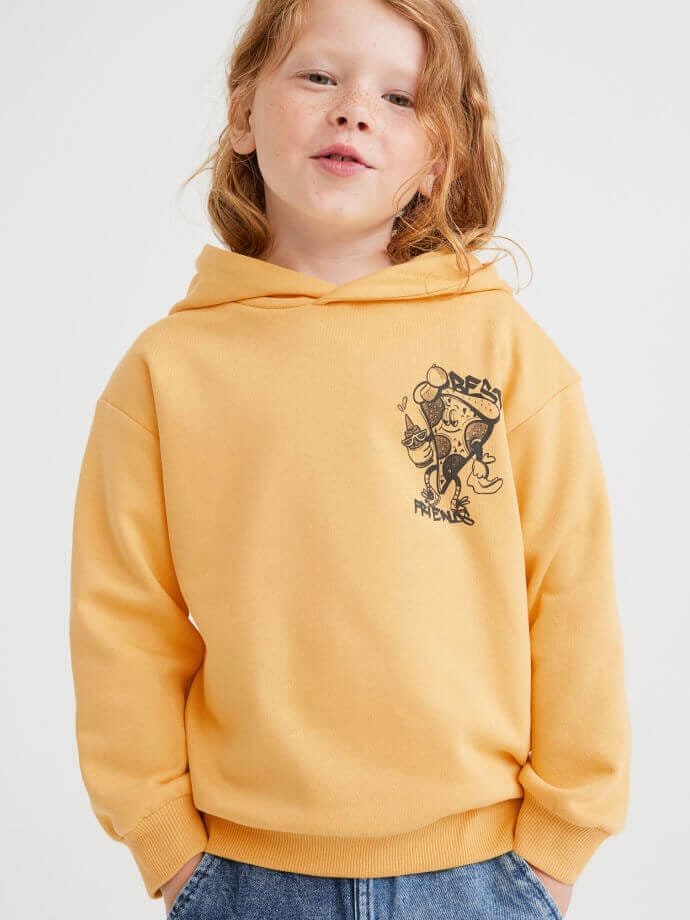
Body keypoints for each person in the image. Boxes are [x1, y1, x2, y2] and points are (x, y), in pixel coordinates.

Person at [68, 0, 632, 917]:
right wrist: (165, 844)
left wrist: (559, 845)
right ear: (244, 115)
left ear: (439, 160)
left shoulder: (504, 351)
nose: (354, 111)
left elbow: (570, 594)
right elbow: (124, 621)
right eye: (319, 76)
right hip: (243, 876)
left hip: (482, 872)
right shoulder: (168, 372)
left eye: (399, 97)